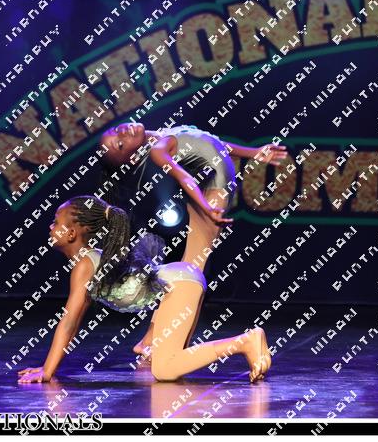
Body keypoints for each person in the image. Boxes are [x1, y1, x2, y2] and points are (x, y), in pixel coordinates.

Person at [17, 196, 271, 384]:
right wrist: (48, 368)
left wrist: (47, 371)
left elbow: (68, 323)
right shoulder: (92, 260)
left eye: (55, 222)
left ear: (72, 233)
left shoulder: (84, 265)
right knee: (172, 363)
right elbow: (72, 325)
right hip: (182, 279)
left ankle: (244, 342)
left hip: (178, 284)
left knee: (164, 370)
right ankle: (153, 344)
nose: (50, 227)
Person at [98, 122, 287, 358]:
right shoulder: (158, 149)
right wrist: (207, 207)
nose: (122, 132)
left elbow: (214, 144)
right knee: (192, 281)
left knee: (188, 276)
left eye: (115, 130)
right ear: (134, 157)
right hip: (210, 195)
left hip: (210, 194)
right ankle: (165, 345)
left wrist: (254, 153)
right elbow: (184, 176)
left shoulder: (164, 134)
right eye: (120, 144)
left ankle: (150, 342)